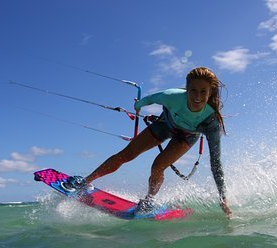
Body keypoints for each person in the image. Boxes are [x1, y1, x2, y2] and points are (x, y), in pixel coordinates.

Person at [63, 67, 232, 219]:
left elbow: (215, 161)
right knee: (126, 154)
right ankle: (85, 181)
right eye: (193, 90)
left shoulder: (211, 121)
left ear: (210, 92)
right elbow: (148, 99)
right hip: (165, 124)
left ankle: (149, 200)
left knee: (158, 166)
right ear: (187, 89)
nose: (197, 96)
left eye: (203, 92)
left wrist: (223, 198)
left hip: (186, 137)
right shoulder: (172, 96)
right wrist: (139, 105)